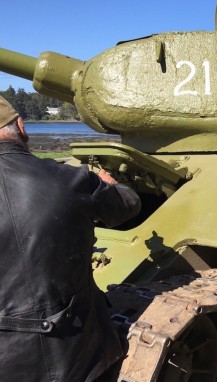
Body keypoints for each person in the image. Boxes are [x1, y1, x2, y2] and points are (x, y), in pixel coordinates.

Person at [0, 95, 141, 382]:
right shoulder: (71, 180)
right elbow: (127, 207)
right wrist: (110, 186)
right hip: (75, 357)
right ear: (22, 127)